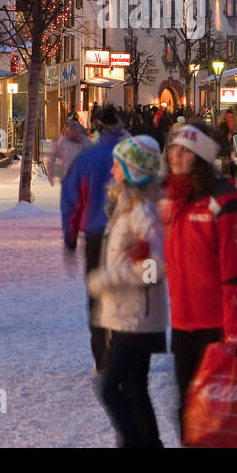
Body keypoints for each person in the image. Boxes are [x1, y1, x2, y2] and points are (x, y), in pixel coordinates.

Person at [161, 123, 237, 442]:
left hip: (218, 328)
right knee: (189, 416)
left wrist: (234, 338)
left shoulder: (226, 204)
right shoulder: (176, 199)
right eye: (174, 147)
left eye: (186, 150)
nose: (176, 154)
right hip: (184, 324)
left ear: (202, 157)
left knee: (218, 419)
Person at [88, 135, 169, 448]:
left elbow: (156, 268)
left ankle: (135, 443)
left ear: (133, 170)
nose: (112, 169)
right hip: (127, 315)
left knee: (110, 388)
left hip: (138, 317)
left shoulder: (143, 213)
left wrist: (110, 277)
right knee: (135, 389)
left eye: (118, 164)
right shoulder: (128, 205)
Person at [61, 104, 127, 371]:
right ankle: (122, 352)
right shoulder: (132, 157)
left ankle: (101, 356)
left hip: (96, 235)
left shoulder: (87, 159)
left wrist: (70, 235)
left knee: (98, 296)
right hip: (127, 235)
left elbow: (71, 200)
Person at [47, 118, 91, 187]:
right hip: (67, 179)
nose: (74, 132)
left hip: (82, 179)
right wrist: (50, 173)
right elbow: (52, 158)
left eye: (76, 130)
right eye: (71, 129)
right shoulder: (63, 142)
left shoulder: (85, 141)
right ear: (68, 130)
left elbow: (94, 156)